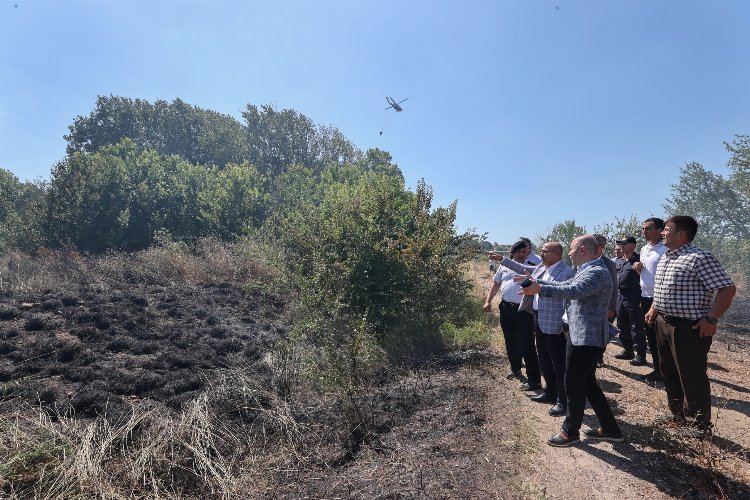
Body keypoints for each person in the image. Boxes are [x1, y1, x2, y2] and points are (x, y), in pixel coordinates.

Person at [521, 235, 623, 447]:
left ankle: (570, 432)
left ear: (583, 250)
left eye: (572, 249)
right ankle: (610, 428)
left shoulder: (596, 272)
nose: (569, 253)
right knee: (587, 383)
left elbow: (572, 291)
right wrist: (536, 282)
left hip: (587, 337)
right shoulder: (585, 270)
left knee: (573, 383)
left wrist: (540, 289)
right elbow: (566, 283)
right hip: (580, 335)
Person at [645, 216, 736, 437]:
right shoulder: (667, 257)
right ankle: (677, 415)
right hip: (664, 322)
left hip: (689, 328)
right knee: (669, 371)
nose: (663, 233)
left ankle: (698, 425)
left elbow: (727, 288)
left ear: (681, 235)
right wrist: (654, 308)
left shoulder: (699, 258)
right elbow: (664, 288)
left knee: (691, 375)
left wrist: (712, 318)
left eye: (666, 230)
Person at [498, 242, 574, 416]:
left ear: (557, 254)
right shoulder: (542, 267)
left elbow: (566, 295)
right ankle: (550, 392)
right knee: (544, 359)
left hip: (555, 323)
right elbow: (521, 267)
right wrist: (502, 259)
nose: (541, 254)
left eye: (545, 251)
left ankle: (563, 401)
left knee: (558, 363)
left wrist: (565, 324)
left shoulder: (566, 272)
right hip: (539, 318)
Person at [484, 241, 542, 386]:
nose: (522, 254)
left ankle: (534, 379)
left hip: (524, 309)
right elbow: (496, 284)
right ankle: (515, 368)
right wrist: (488, 301)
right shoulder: (503, 267)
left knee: (527, 343)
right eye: (519, 252)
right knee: (510, 340)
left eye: (524, 251)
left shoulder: (532, 267)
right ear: (512, 253)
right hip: (506, 308)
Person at [632, 217, 667, 381]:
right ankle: (658, 369)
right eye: (643, 229)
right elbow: (648, 273)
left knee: (662, 336)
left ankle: (667, 370)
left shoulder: (666, 248)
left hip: (660, 298)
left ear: (660, 230)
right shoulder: (645, 249)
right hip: (645, 296)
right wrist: (638, 268)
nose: (644, 232)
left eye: (648, 228)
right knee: (651, 336)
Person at [613, 236, 647, 365]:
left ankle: (641, 355)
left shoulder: (639, 260)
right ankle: (628, 350)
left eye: (624, 244)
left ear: (633, 245)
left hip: (634, 295)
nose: (622, 246)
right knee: (622, 325)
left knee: (636, 326)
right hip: (620, 295)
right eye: (620, 244)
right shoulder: (619, 261)